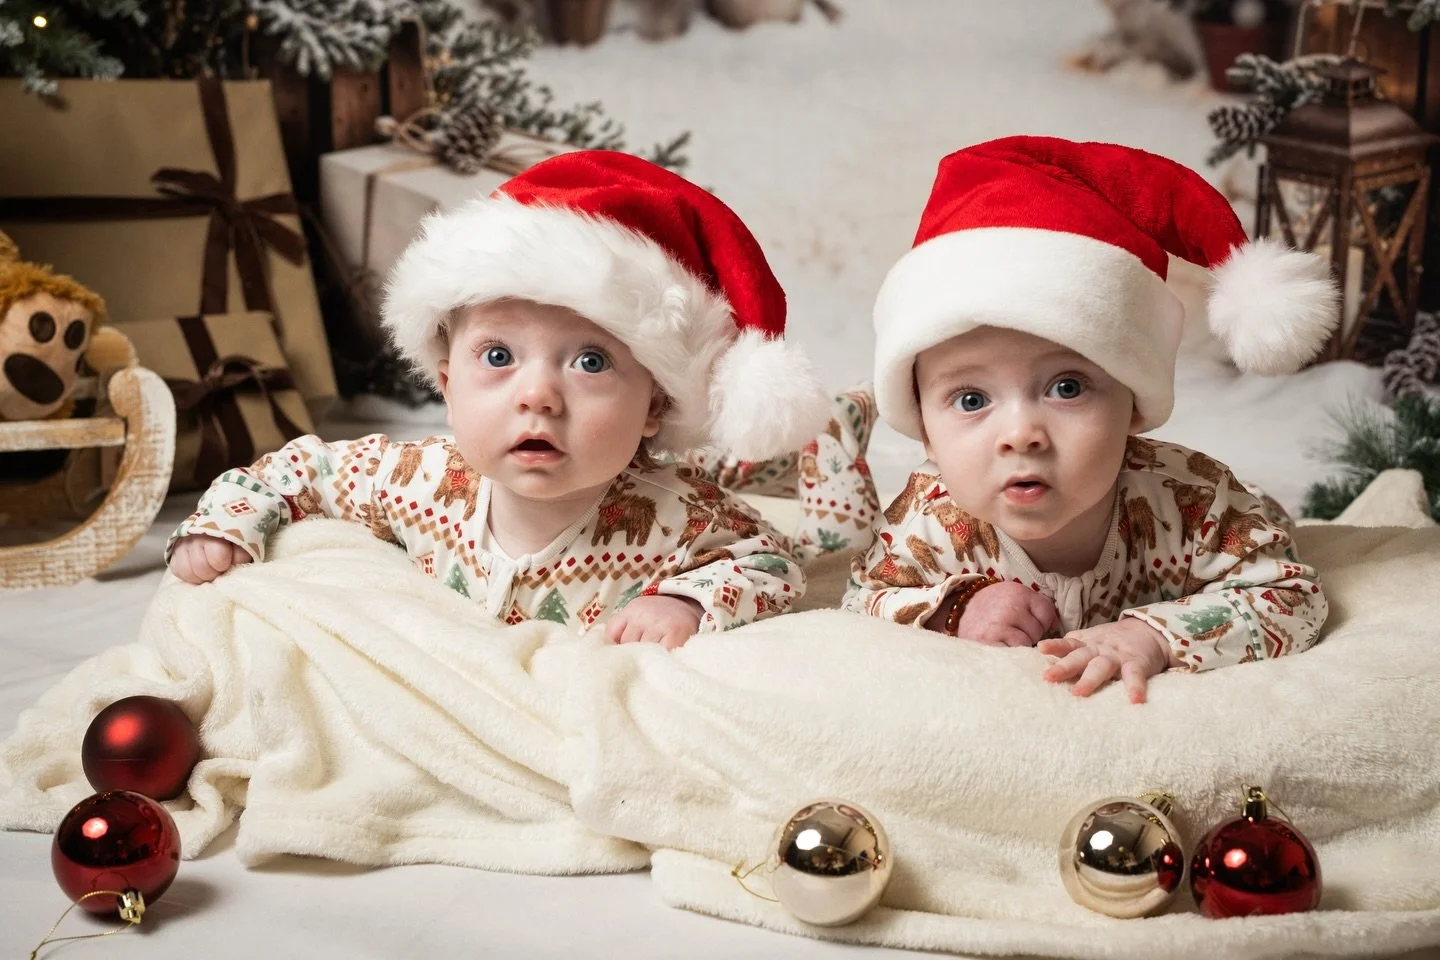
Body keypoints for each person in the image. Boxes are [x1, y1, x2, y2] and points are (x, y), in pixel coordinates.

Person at [167, 151, 833, 649]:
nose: (538, 395)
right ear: (447, 379)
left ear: (655, 405)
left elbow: (772, 558)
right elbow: (297, 472)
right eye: (497, 357)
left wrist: (687, 603)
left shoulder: (676, 517)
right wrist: (225, 526)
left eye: (591, 362)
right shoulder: (416, 481)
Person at [844, 135, 1337, 702]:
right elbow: (863, 596)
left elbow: (1292, 596)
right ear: (924, 427)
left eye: (1067, 387)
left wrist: (1152, 635)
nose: (1021, 434)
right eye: (972, 400)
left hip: (1232, 526)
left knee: (1267, 519)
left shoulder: (1195, 504)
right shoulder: (928, 523)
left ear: (1133, 400)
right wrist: (954, 608)